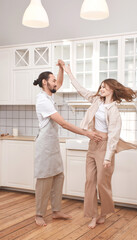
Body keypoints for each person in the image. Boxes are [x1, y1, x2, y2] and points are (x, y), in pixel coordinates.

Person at [63, 64, 137, 229]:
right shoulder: (97, 100)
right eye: (101, 87)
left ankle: (104, 213)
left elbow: (114, 136)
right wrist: (69, 73)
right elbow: (82, 90)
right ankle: (93, 215)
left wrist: (107, 157)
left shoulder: (114, 111)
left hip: (104, 147)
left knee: (102, 183)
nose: (101, 89)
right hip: (92, 145)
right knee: (89, 181)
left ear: (111, 90)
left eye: (104, 87)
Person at [33, 60, 101, 227]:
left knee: (58, 176)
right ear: (44, 82)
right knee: (44, 179)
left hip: (52, 144)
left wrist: (61, 69)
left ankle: (56, 211)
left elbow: (60, 83)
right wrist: (87, 133)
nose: (56, 83)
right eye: (53, 80)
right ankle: (39, 214)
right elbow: (63, 123)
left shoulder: (50, 95)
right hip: (44, 144)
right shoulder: (42, 100)